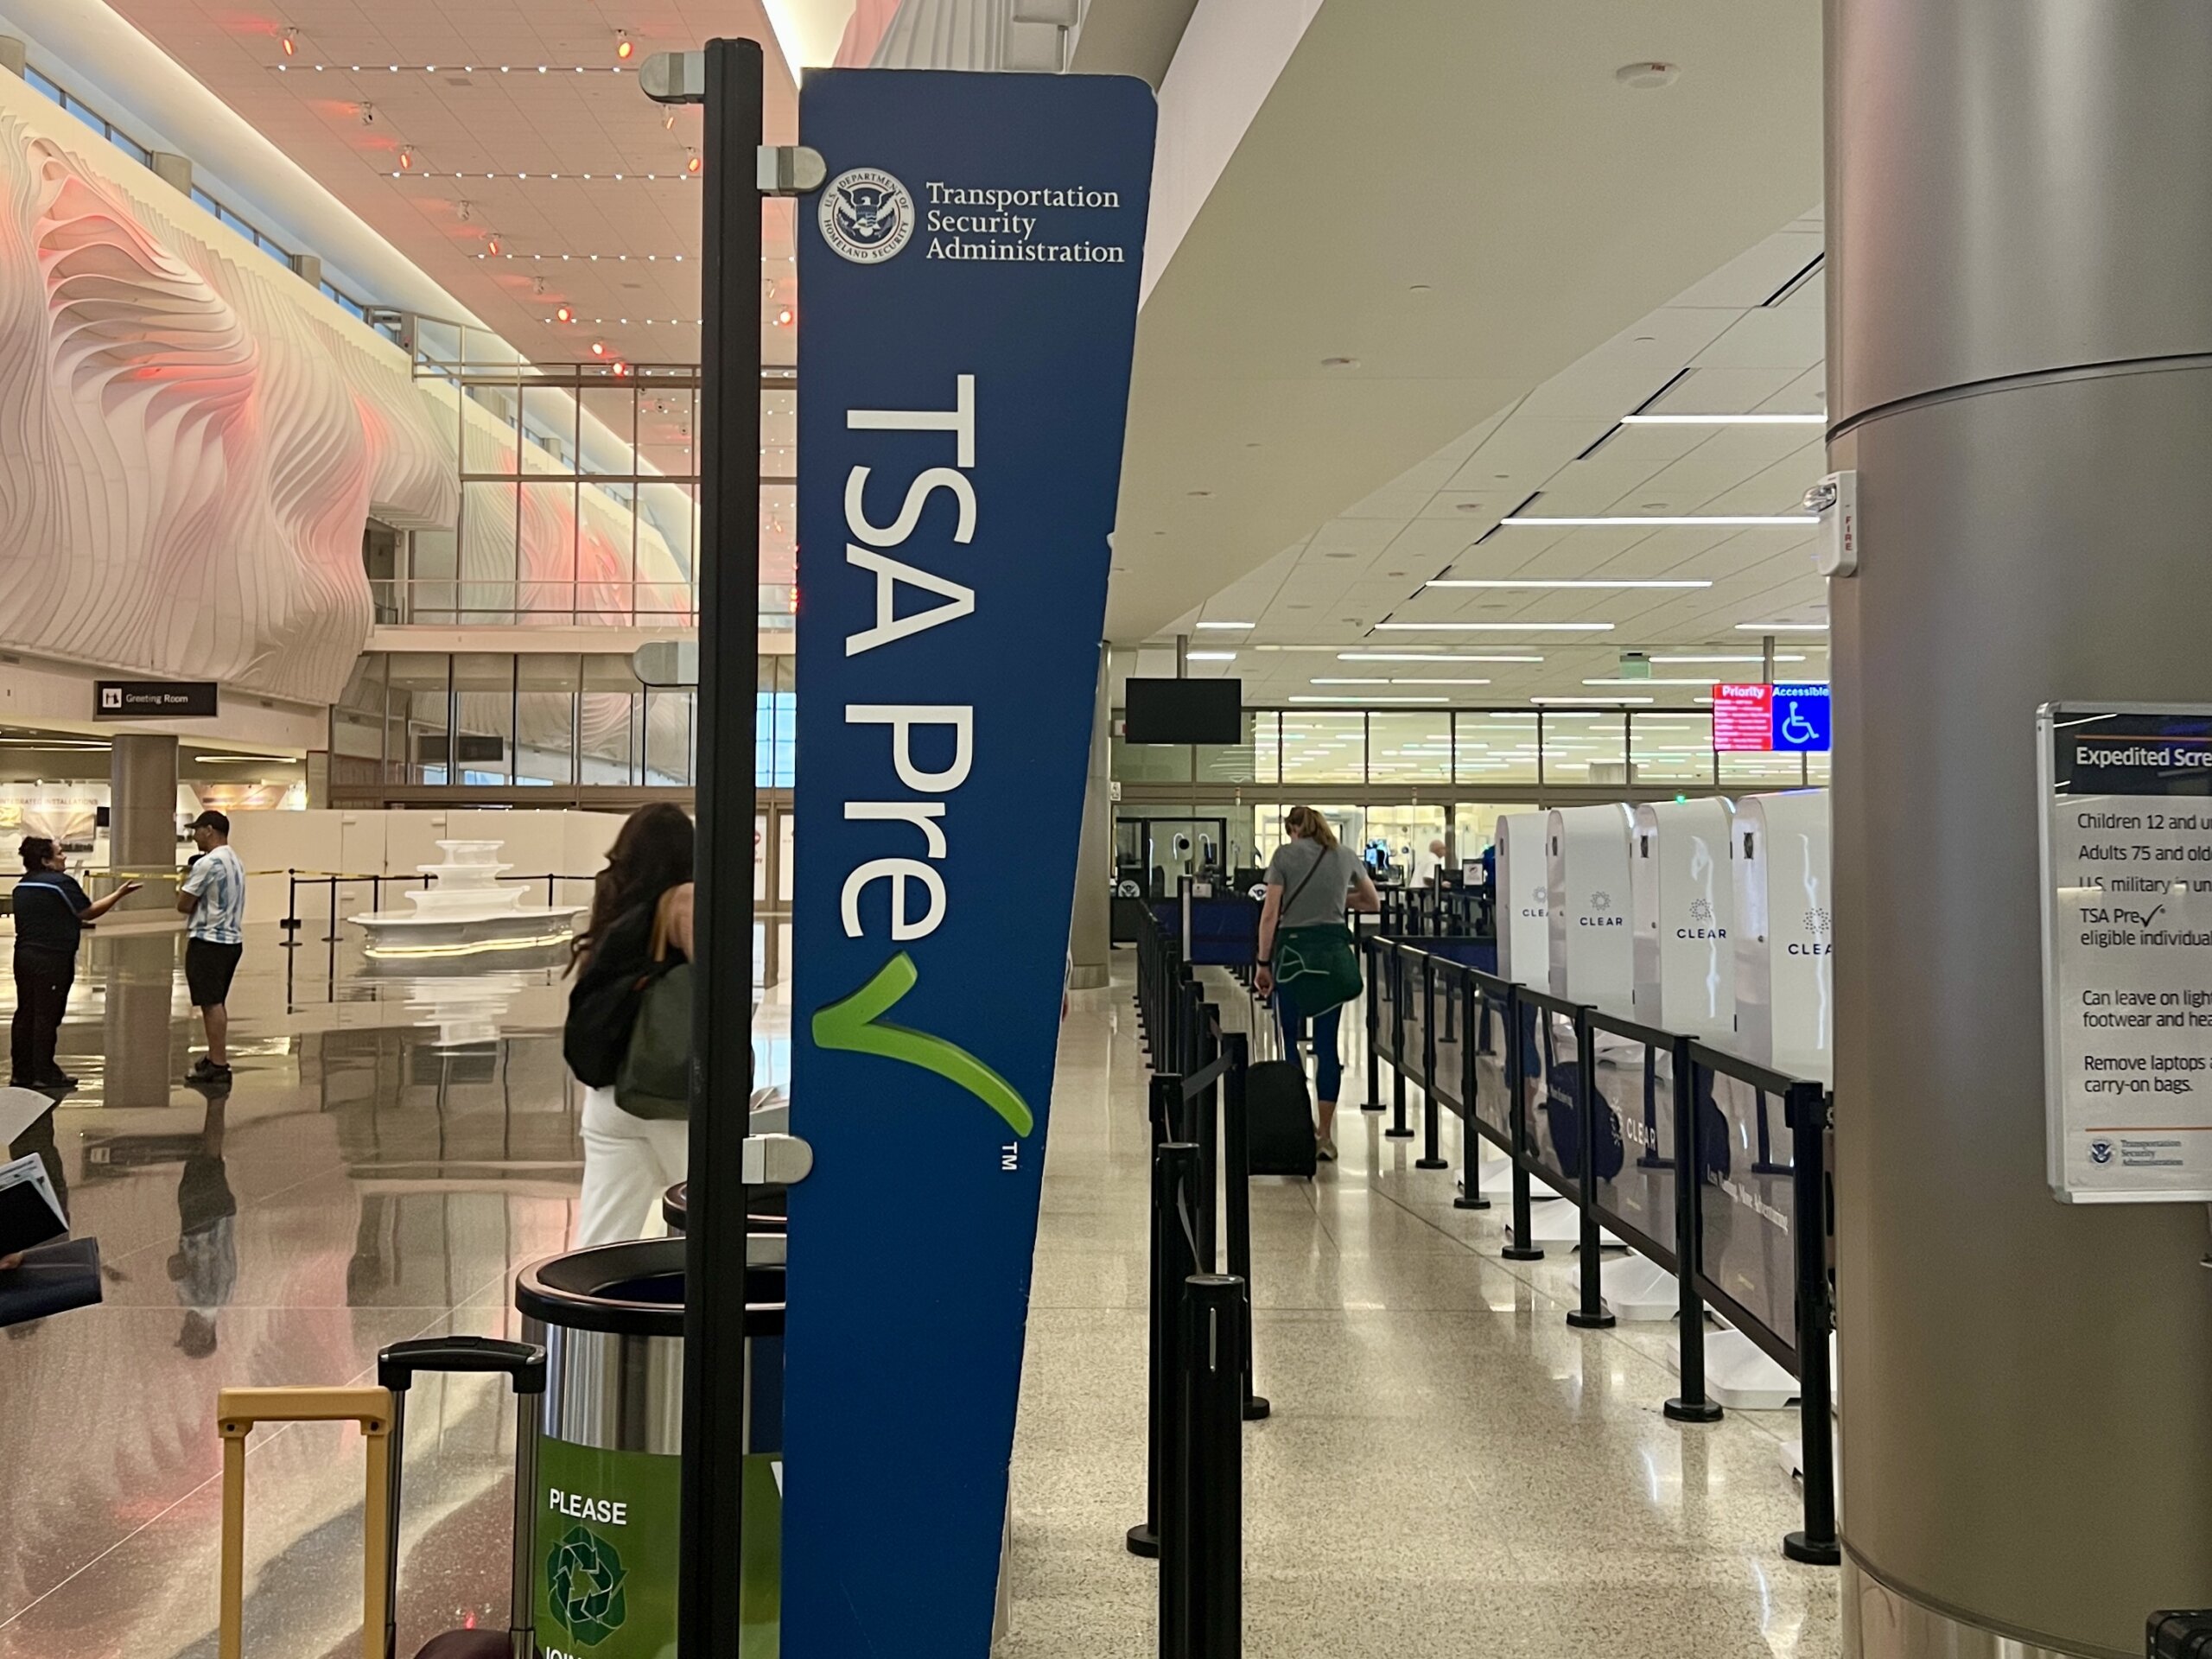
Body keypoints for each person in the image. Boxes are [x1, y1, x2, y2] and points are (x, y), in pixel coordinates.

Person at [564, 804, 695, 1246]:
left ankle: (587, 1314)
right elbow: (717, 984)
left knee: (601, 1240)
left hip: (607, 1096)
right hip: (665, 1094)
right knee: (717, 1222)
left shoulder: (616, 907)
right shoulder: (684, 900)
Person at [1254, 805, 1381, 1162]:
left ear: (1294, 828)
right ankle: (1325, 1135)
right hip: (1332, 958)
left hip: (1293, 958)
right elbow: (1372, 902)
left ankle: (1300, 1124)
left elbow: (1269, 913)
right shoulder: (1345, 855)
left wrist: (1263, 964)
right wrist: (1338, 899)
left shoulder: (1284, 855)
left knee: (1289, 1042)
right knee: (1327, 1047)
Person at [11, 837, 140, 1090]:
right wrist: (118, 894)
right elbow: (87, 912)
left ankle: (21, 1071)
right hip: (53, 959)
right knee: (47, 1015)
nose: (64, 857)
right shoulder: (60, 883)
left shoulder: (22, 885)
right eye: (59, 854)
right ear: (46, 861)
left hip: (24, 957)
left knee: (26, 1012)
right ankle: (43, 1072)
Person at [175, 810, 245, 1084]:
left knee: (210, 1002)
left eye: (196, 830)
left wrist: (186, 882)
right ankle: (215, 1056)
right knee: (216, 1001)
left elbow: (183, 903)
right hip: (231, 941)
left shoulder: (208, 863)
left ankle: (218, 1064)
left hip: (209, 941)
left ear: (209, 830)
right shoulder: (235, 860)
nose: (193, 836)